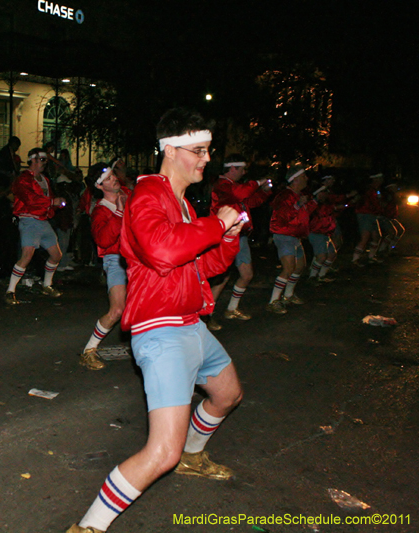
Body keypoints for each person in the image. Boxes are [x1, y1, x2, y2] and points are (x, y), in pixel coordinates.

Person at [65, 109, 243, 533]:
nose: (206, 159)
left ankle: (193, 456)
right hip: (162, 331)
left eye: (208, 150)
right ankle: (88, 527)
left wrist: (227, 239)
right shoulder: (147, 195)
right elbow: (163, 251)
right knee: (162, 452)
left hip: (190, 324)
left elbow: (204, 267)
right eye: (198, 150)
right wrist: (215, 223)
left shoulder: (181, 202)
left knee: (227, 394)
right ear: (171, 150)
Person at [77, 163, 129, 371]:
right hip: (116, 259)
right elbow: (104, 240)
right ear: (99, 186)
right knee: (117, 310)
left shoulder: (128, 194)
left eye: (113, 175)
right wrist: (120, 212)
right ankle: (88, 350)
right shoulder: (100, 210)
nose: (114, 179)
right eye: (108, 178)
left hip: (137, 258)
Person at [209, 155, 272, 322]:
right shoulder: (222, 185)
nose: (244, 173)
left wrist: (265, 192)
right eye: (242, 169)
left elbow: (251, 201)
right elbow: (241, 193)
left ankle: (231, 309)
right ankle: (207, 316)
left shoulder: (233, 186)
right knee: (221, 278)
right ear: (232, 168)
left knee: (246, 274)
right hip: (225, 238)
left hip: (240, 237)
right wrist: (258, 182)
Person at [4, 148, 66, 304]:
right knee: (26, 256)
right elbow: (30, 199)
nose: (45, 163)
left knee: (56, 255)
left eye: (46, 160)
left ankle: (47, 285)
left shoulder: (44, 179)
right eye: (42, 159)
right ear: (33, 159)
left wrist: (55, 204)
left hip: (42, 220)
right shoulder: (23, 179)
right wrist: (52, 202)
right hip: (29, 221)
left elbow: (46, 200)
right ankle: (10, 291)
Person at [266, 166, 317, 314]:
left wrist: (313, 203)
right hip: (284, 236)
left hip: (295, 236)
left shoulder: (297, 195)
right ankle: (273, 301)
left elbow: (302, 215)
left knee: (300, 267)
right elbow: (283, 216)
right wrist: (299, 204)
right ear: (295, 180)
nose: (307, 179)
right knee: (288, 268)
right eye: (304, 176)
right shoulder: (285, 196)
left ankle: (288, 295)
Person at [352, 173, 384, 266]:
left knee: (376, 236)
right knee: (365, 237)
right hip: (365, 214)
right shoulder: (368, 190)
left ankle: (371, 256)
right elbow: (369, 202)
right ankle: (355, 259)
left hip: (372, 214)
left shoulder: (376, 190)